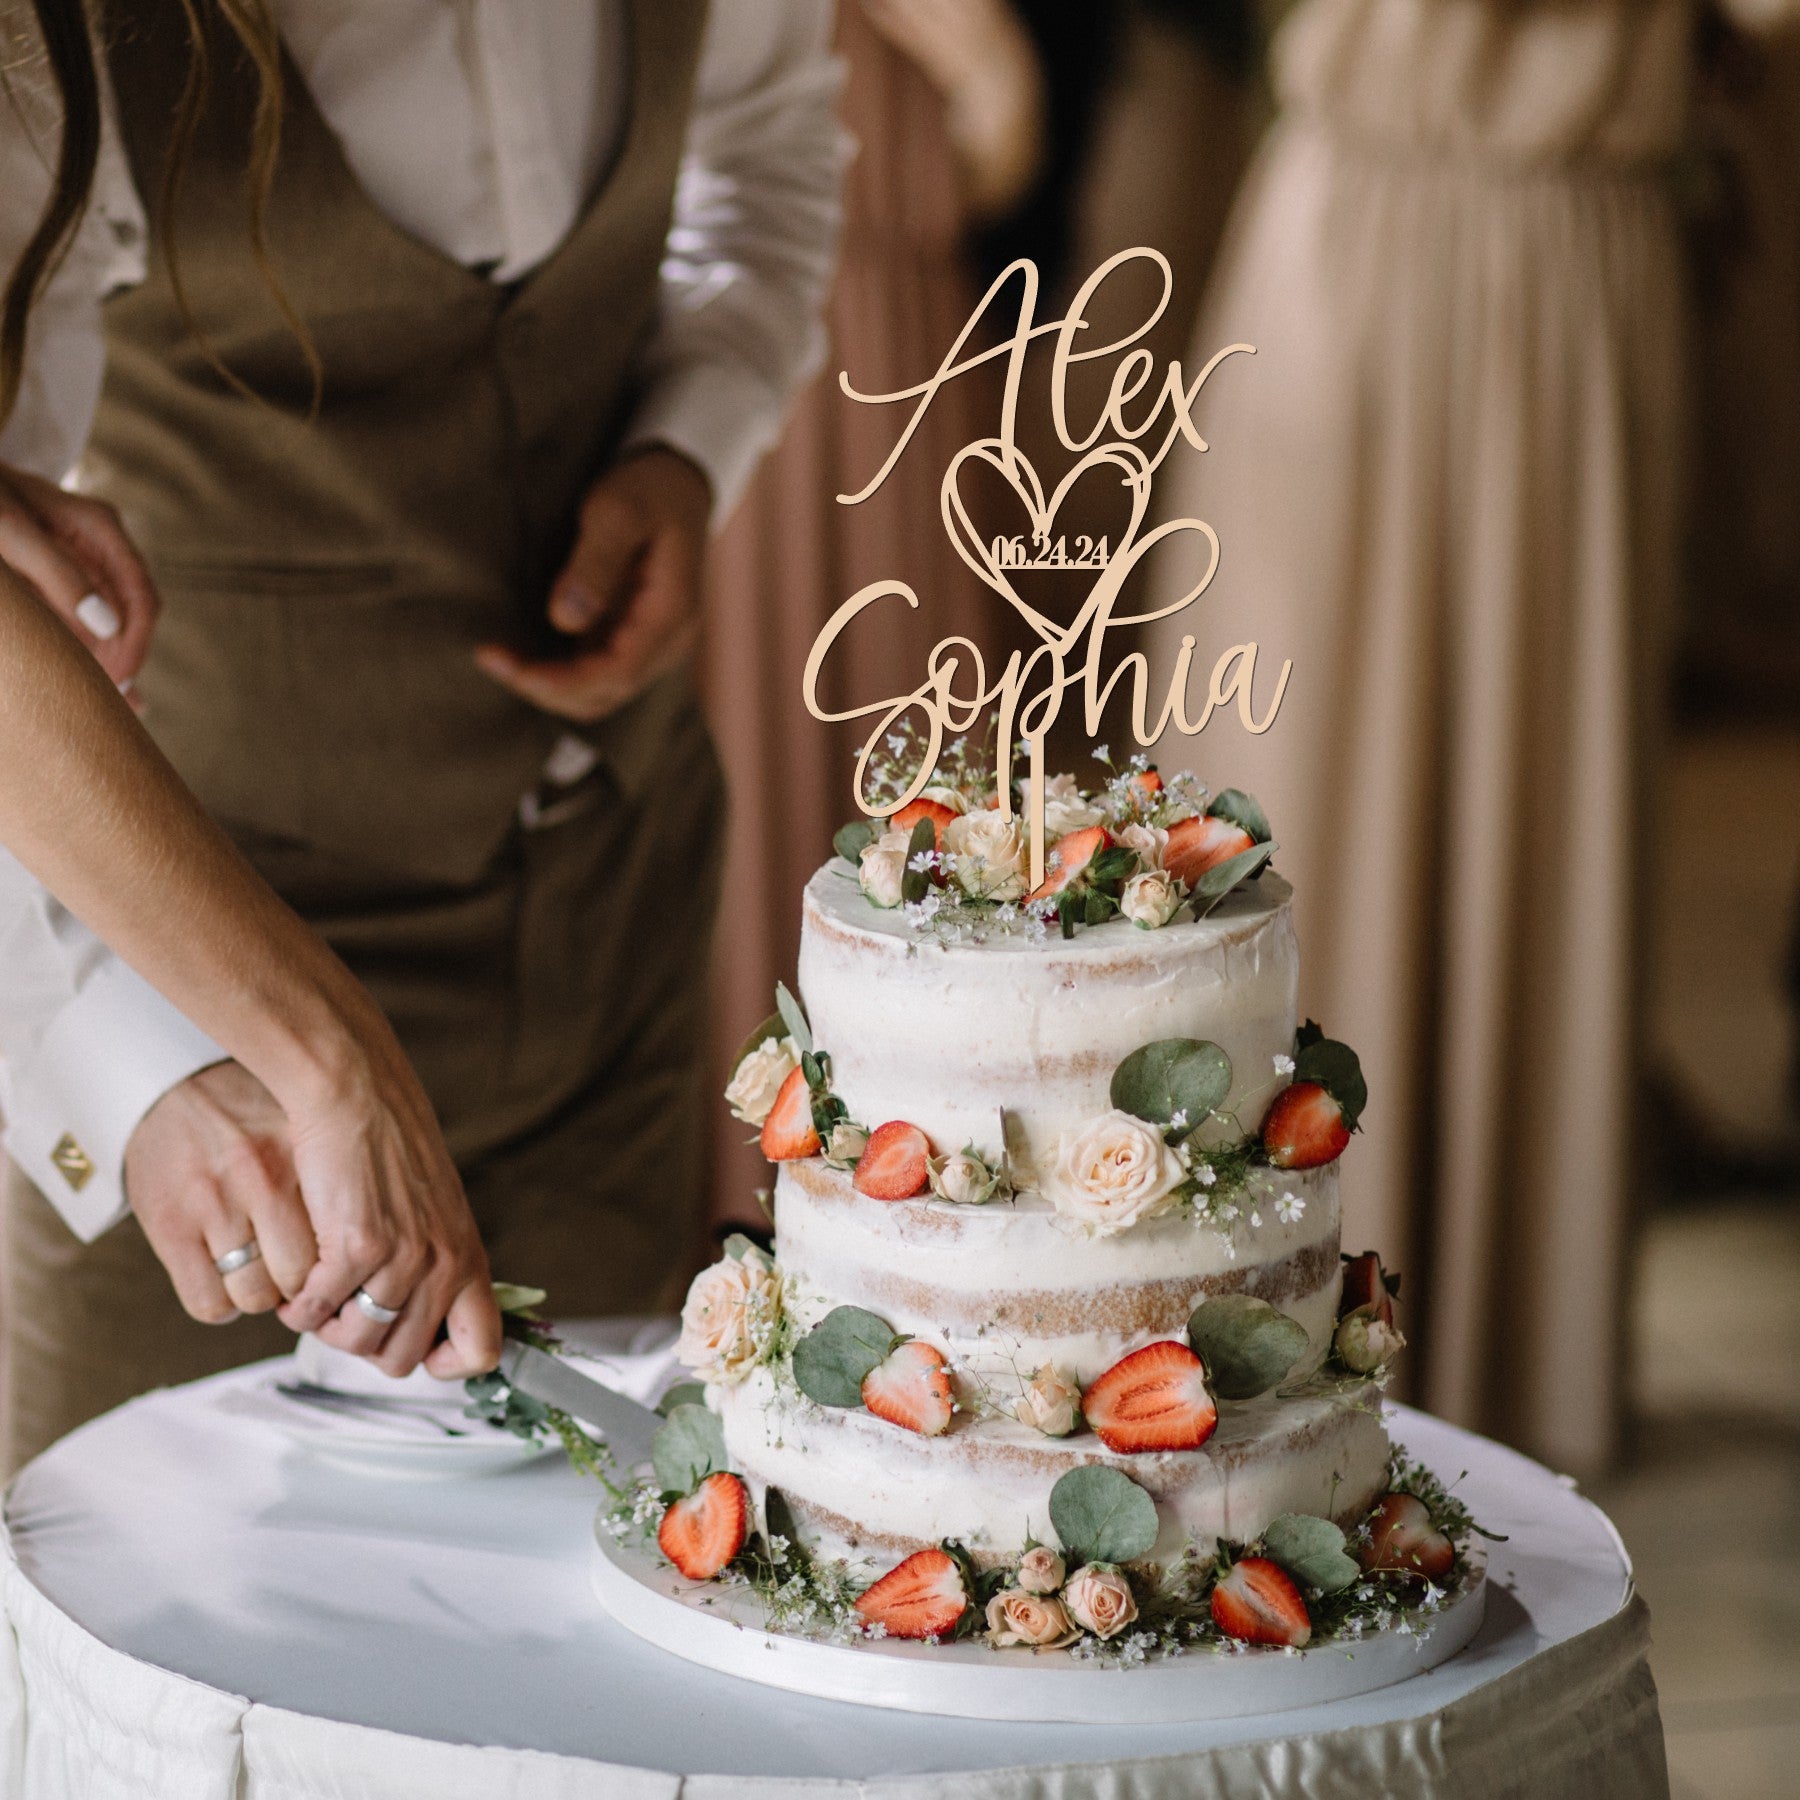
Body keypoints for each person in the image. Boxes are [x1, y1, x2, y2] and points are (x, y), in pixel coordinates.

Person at [0, 0, 845, 1473]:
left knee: (577, 1629)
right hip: (206, 1059)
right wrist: (122, 1059)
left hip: (614, 947)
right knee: (151, 1677)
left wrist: (686, 441)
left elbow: (767, 152)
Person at [1150, 0, 1689, 1475]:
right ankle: (1224, 1347)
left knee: (1544, 820)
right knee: (1307, 813)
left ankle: (1510, 1357)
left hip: (1575, 242)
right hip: (1369, 230)